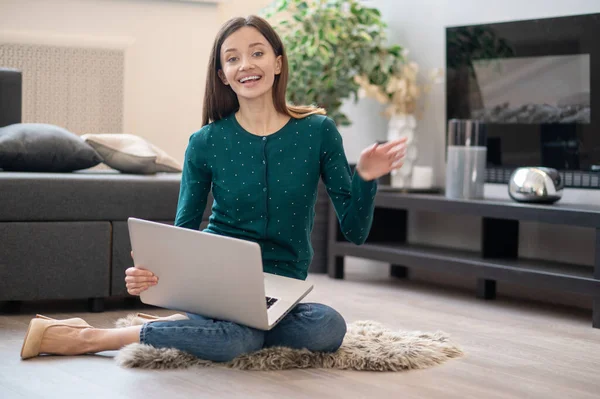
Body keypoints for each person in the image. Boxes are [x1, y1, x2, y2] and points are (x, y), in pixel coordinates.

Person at [20, 15, 406, 361]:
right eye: (233, 58)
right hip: (218, 282)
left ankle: (196, 327)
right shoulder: (206, 141)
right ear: (222, 74)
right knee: (234, 342)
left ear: (277, 62)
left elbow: (355, 233)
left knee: (327, 327)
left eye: (257, 53)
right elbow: (184, 228)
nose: (246, 65)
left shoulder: (318, 132)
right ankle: (93, 337)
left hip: (281, 291)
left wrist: (367, 178)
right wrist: (153, 273)